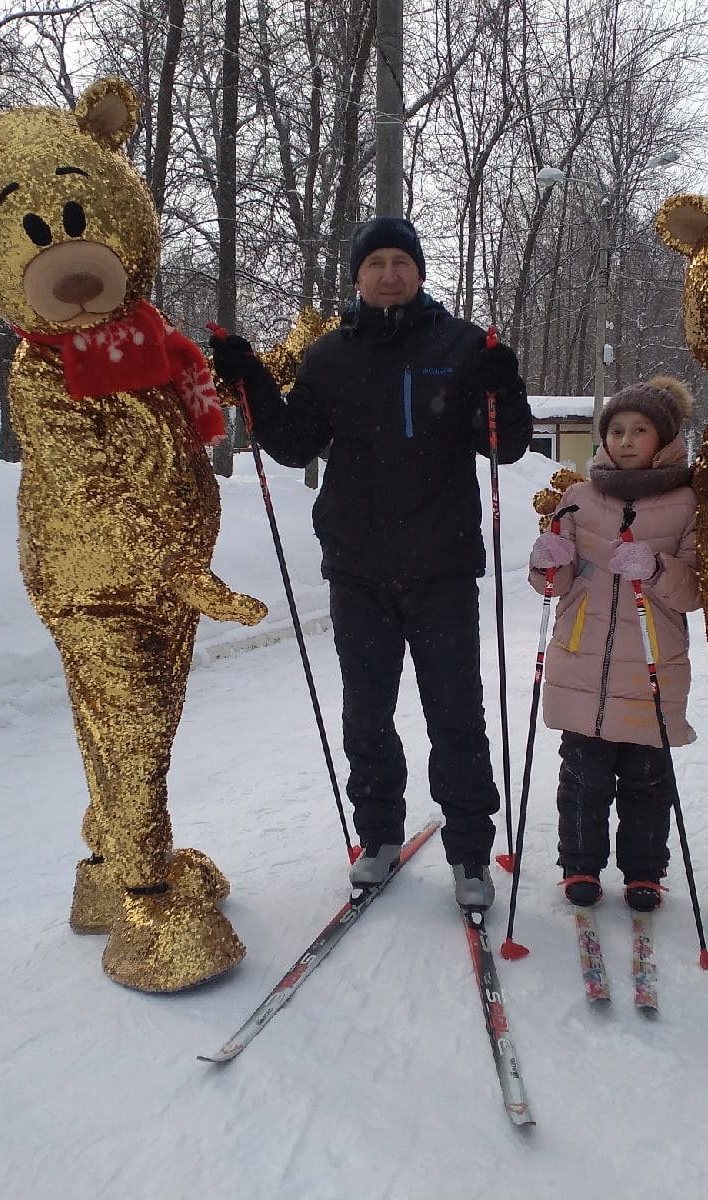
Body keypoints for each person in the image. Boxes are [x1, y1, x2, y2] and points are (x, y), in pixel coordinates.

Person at [208, 216, 532, 909]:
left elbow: (502, 447)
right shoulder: (330, 357)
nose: (389, 273)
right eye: (375, 263)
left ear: (418, 271)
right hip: (358, 570)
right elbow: (296, 445)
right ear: (356, 277)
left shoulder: (461, 344)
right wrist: (254, 384)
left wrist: (505, 389)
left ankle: (471, 851)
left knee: (456, 715)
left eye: (400, 262)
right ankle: (378, 836)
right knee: (367, 714)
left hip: (442, 568)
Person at [527, 376, 701, 912]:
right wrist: (547, 561)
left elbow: (697, 590)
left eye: (640, 430)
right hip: (579, 662)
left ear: (664, 438)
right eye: (617, 430)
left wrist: (655, 568)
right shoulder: (578, 499)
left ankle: (644, 872)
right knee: (582, 776)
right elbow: (551, 585)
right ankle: (579, 866)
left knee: (647, 779)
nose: (626, 440)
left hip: (652, 663)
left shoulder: (688, 503)